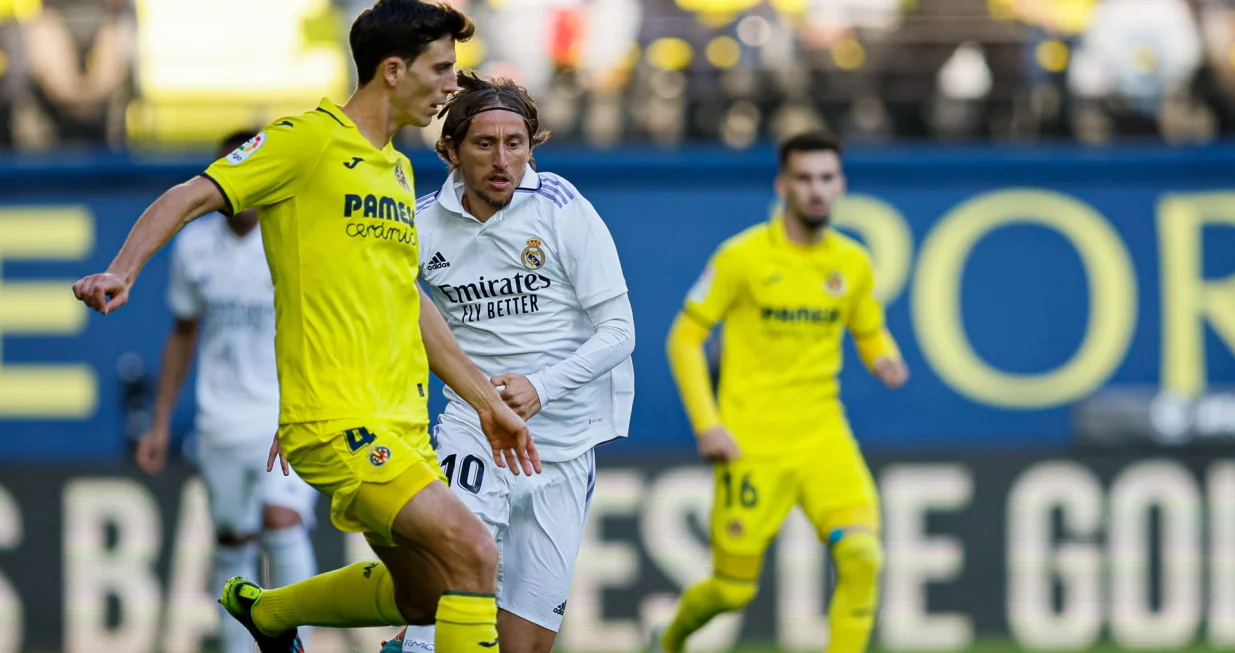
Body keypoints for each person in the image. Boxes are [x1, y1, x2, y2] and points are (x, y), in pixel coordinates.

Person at [71, 2, 541, 652]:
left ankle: (268, 612)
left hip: (400, 423)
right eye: (440, 69)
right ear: (393, 70)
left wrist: (486, 401)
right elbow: (189, 195)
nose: (450, 86)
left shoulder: (397, 171)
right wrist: (123, 270)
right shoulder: (306, 141)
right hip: (337, 422)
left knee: (426, 593)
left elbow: (407, 302)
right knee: (474, 551)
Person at [377, 70, 635, 653]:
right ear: (450, 150)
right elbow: (369, 318)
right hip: (475, 426)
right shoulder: (419, 224)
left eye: (514, 143)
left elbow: (620, 331)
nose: (502, 160)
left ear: (531, 146)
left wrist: (541, 388)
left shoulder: (562, 208)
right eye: (484, 144)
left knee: (524, 646)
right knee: (453, 572)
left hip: (563, 446)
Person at [650, 130, 909, 653]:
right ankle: (670, 640)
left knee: (863, 557)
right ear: (783, 184)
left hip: (822, 437)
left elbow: (866, 324)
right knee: (732, 589)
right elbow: (684, 339)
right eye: (805, 178)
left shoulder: (852, 263)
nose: (816, 190)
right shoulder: (741, 258)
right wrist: (709, 423)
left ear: (841, 184)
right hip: (751, 444)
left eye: (826, 178)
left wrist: (882, 354)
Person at [133, 130, 320, 653]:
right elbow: (183, 333)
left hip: (283, 414)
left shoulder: (293, 238)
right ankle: (237, 647)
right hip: (220, 417)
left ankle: (296, 642)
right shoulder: (195, 246)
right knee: (232, 538)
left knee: (281, 523)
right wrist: (160, 419)